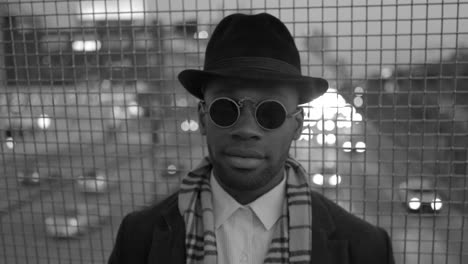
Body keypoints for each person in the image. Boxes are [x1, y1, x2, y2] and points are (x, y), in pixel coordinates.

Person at [108, 13, 395, 264]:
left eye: (269, 112)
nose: (246, 129)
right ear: (203, 118)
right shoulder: (138, 240)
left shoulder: (365, 250)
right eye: (225, 109)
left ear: (297, 126)